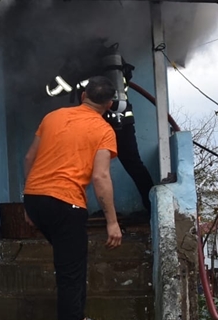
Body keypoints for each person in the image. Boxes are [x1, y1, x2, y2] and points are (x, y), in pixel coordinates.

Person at [24, 74, 123, 320]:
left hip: (36, 200)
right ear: (109, 104)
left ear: (83, 96)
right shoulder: (104, 130)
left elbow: (29, 158)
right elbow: (100, 177)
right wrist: (112, 222)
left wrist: (28, 201)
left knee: (75, 263)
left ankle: (78, 318)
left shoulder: (53, 116)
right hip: (66, 205)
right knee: (69, 278)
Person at [45, 42, 156, 216]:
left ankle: (74, 211)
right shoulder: (117, 62)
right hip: (123, 121)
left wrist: (48, 87)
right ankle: (153, 209)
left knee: (81, 167)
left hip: (94, 123)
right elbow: (125, 84)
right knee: (134, 165)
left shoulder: (79, 62)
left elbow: (55, 90)